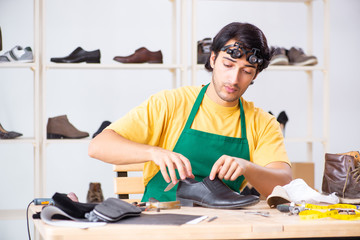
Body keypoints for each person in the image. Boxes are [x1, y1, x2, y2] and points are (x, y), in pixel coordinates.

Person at [88, 22, 292, 202]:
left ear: (256, 74)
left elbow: (283, 185)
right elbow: (98, 146)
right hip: (163, 217)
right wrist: (153, 152)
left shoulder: (262, 122)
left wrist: (247, 167)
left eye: (246, 71)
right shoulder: (171, 103)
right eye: (228, 65)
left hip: (223, 223)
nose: (234, 79)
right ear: (213, 59)